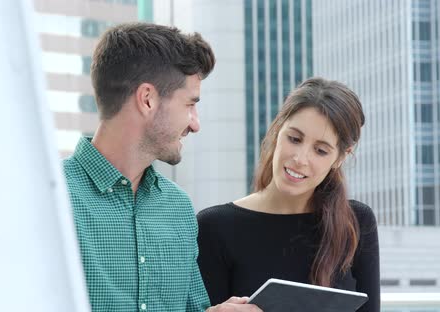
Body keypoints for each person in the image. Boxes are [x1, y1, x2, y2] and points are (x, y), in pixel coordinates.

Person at [63, 23, 261, 312]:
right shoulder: (51, 199)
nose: (195, 123)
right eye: (190, 104)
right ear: (147, 99)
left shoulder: (177, 208)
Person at [197, 77, 380, 312]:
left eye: (321, 150)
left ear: (341, 157)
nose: (300, 159)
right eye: (294, 139)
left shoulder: (357, 221)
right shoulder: (215, 226)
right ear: (277, 130)